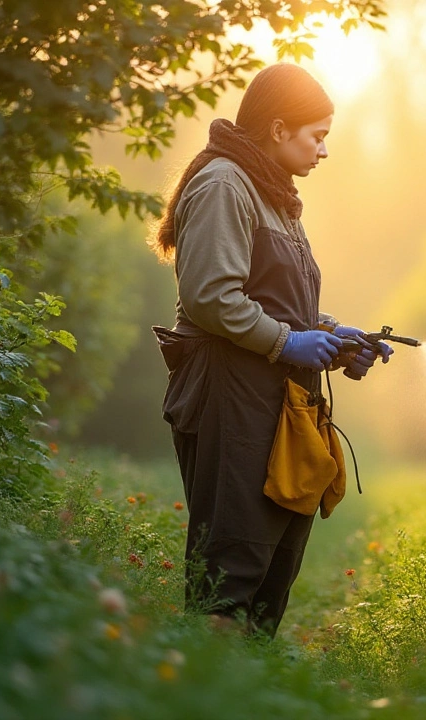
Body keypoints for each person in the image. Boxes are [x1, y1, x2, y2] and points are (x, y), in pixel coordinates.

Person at [149, 63, 390, 637]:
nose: (324, 151)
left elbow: (280, 304)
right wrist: (290, 342)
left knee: (271, 572)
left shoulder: (274, 193)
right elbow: (211, 299)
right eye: (318, 135)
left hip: (275, 405)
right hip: (229, 401)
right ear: (279, 129)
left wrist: (334, 337)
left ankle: (244, 691)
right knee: (231, 574)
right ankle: (207, 691)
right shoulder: (225, 185)